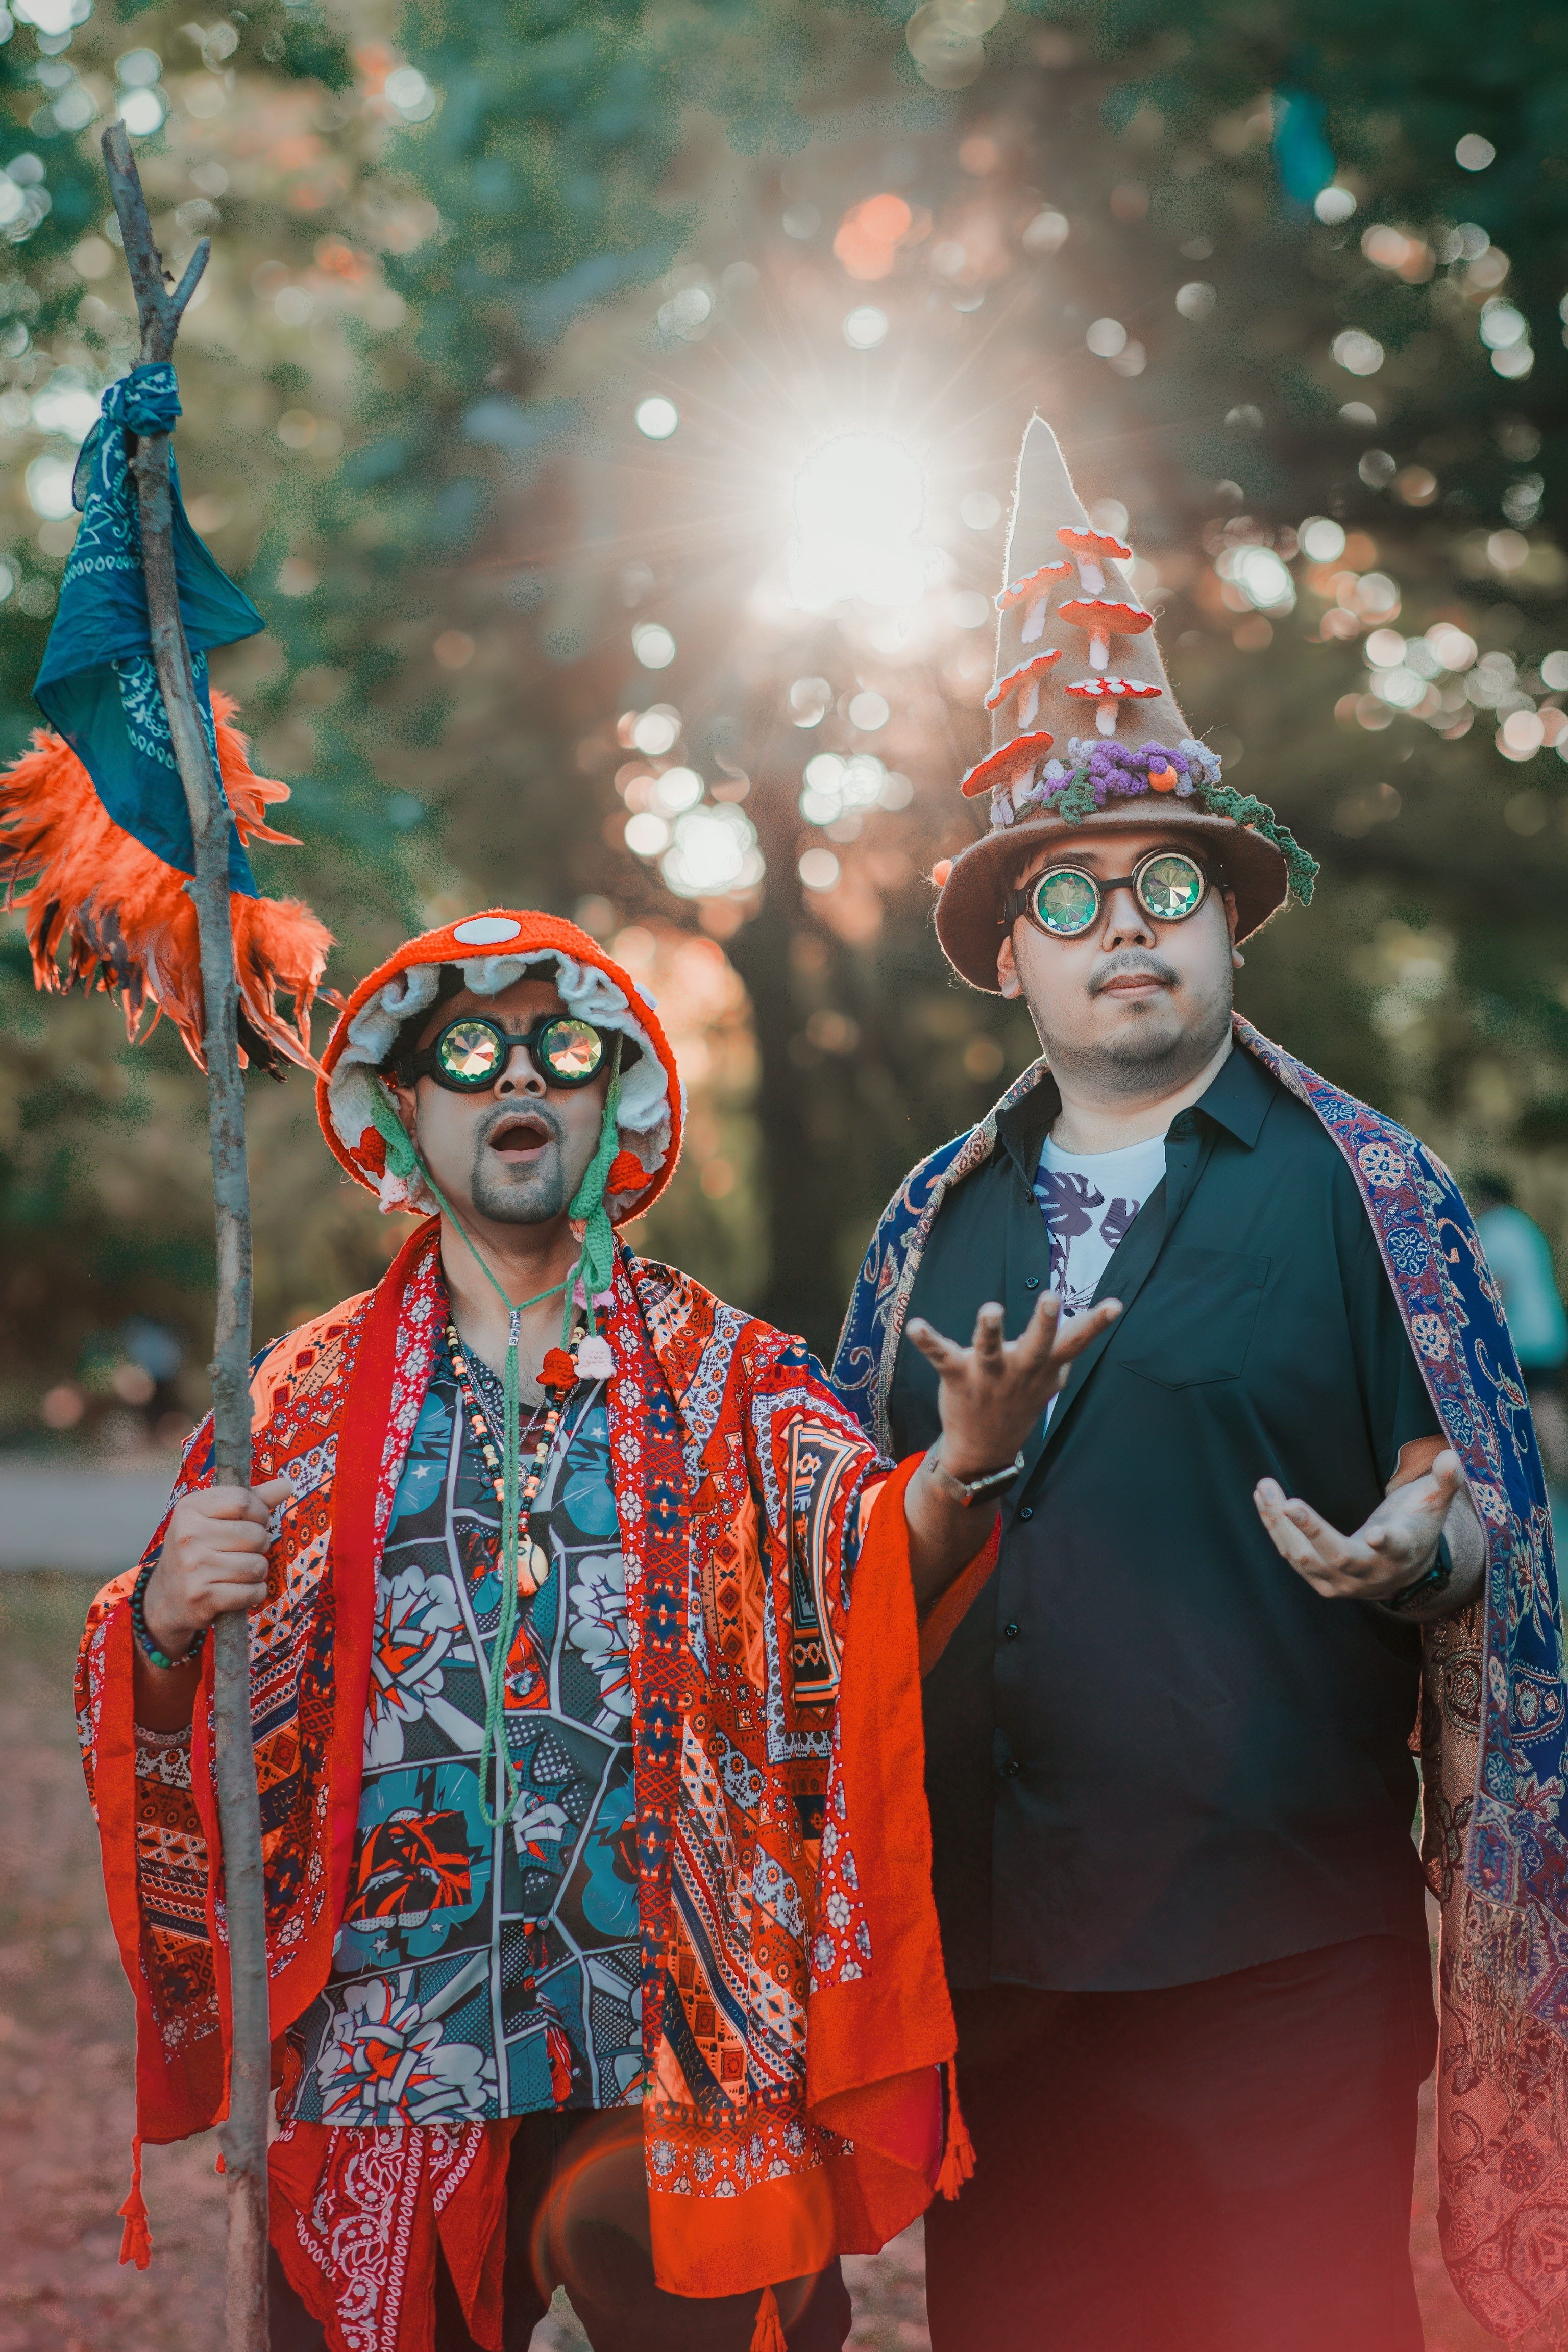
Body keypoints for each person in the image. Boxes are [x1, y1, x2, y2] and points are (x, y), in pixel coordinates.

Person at [76, 909, 1106, 2352]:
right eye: (470, 1053)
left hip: (672, 2044)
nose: (519, 1079)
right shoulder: (292, 1407)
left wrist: (965, 1464)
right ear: (404, 1107)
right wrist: (170, 1621)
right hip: (389, 2046)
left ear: (612, 1100)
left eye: (561, 1051)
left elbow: (868, 1562)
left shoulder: (737, 1374)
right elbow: (156, 1674)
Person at [832, 416, 1568, 2350]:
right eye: (1066, 895)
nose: (1125, 921)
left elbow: (1459, 1473)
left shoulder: (1366, 1189)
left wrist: (1416, 1543)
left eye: (1165, 881)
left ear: (1228, 918)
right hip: (1013, 1962)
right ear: (1011, 955)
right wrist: (954, 1478)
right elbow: (830, 1604)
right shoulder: (928, 1225)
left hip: (1284, 1954)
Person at [1473, 1172, 1568, 1484]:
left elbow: (1500, 1284)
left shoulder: (1496, 1228)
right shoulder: (1523, 1225)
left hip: (1524, 1337)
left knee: (1539, 1407)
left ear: (1485, 1199)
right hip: (1547, 1331)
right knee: (1543, 1403)